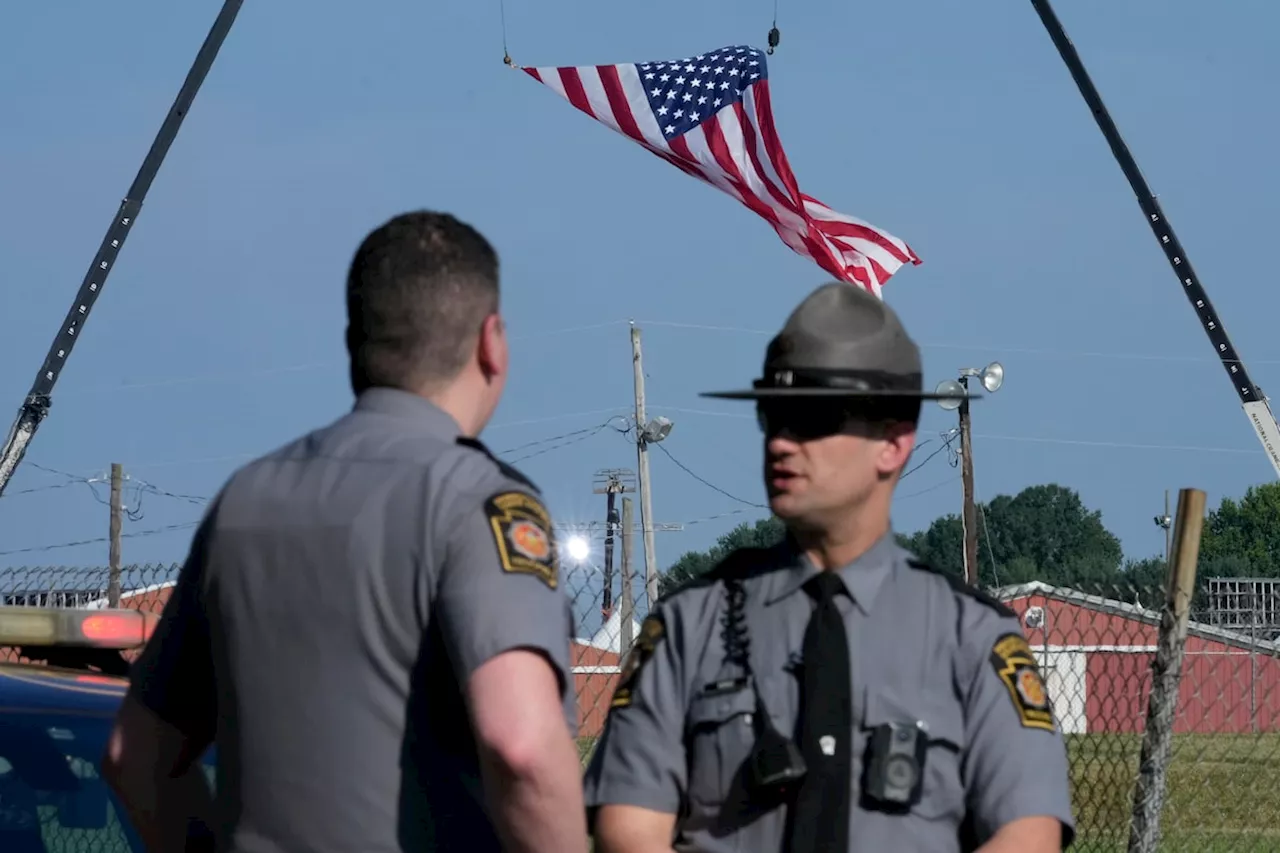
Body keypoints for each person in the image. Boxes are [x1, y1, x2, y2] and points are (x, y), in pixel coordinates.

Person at [102, 211, 589, 853]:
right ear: (490, 343)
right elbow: (521, 745)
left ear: (356, 343)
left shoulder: (246, 500)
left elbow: (135, 755)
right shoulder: (478, 501)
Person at [583, 281, 1076, 853]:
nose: (781, 444)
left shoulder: (971, 638)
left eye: (812, 418)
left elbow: (1027, 833)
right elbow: (628, 829)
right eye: (773, 414)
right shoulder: (687, 628)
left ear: (892, 442)